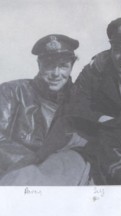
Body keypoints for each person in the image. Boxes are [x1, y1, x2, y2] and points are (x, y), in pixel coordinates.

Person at [21, 17, 121, 184]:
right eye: (117, 49)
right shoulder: (95, 71)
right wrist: (101, 118)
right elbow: (75, 105)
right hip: (98, 145)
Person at [0, 34, 90, 185]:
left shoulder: (81, 102)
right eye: (49, 65)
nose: (56, 73)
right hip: (13, 178)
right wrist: (33, 165)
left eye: (63, 66)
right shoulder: (11, 91)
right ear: (39, 64)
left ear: (72, 66)